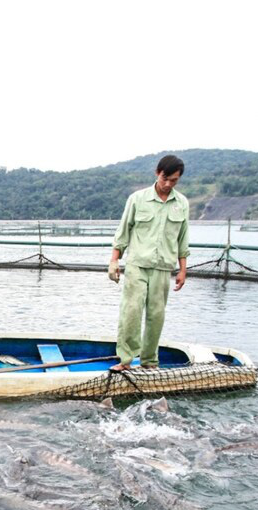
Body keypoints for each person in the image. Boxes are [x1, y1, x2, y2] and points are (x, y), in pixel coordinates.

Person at [108, 155, 189, 372]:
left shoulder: (181, 204)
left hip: (163, 267)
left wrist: (183, 270)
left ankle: (149, 362)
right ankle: (125, 361)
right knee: (131, 311)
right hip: (137, 264)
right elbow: (123, 232)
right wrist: (114, 260)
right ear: (157, 173)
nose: (168, 184)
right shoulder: (137, 199)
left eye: (174, 180)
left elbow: (183, 239)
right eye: (166, 178)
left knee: (156, 315)